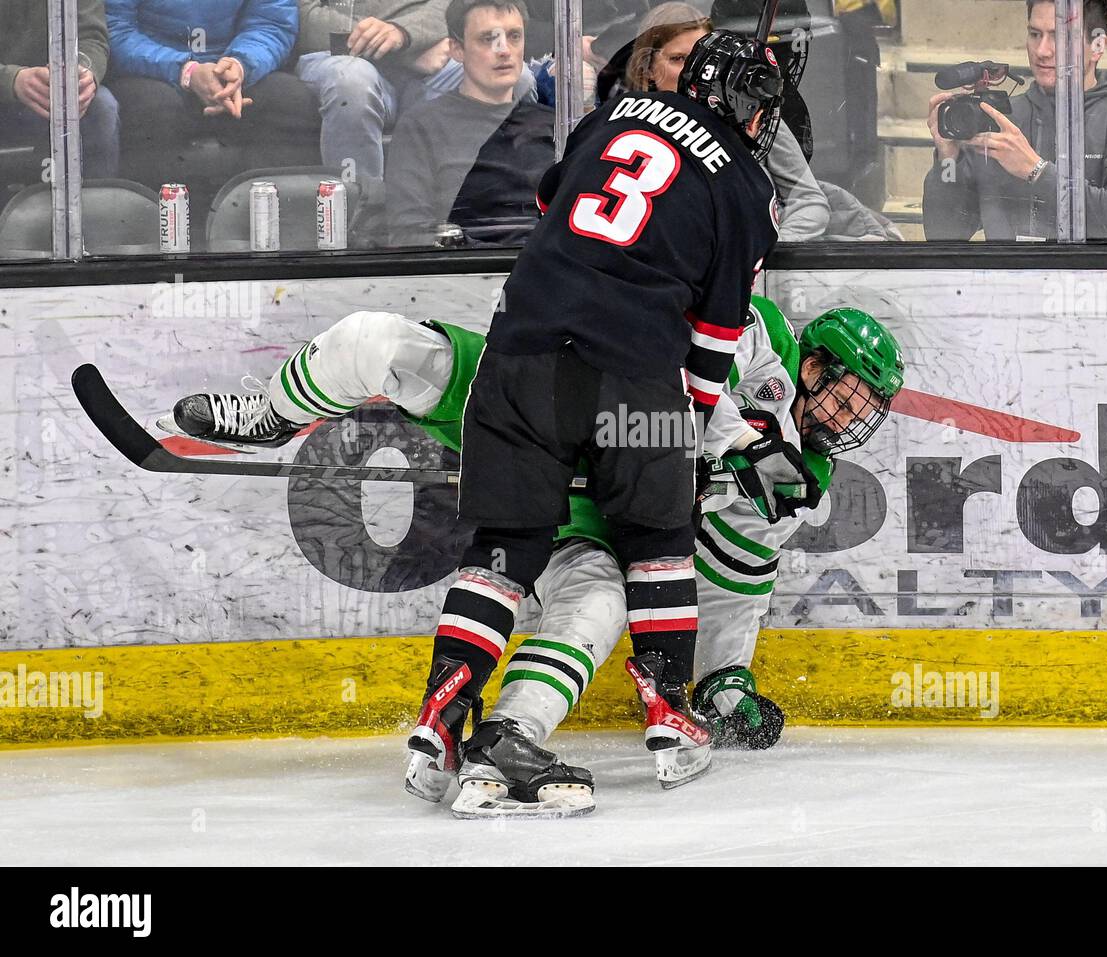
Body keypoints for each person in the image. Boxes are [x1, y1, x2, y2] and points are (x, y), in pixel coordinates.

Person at [159, 292, 902, 814]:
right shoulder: (765, 331)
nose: (850, 420)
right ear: (814, 366)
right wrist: (732, 440)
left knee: (597, 603)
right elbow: (693, 358)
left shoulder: (806, 476)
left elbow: (741, 576)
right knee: (375, 341)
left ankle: (509, 730)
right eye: (849, 397)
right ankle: (274, 414)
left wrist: (727, 677)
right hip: (545, 387)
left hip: (596, 508)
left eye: (866, 412)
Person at [407, 27, 783, 801]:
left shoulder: (616, 112)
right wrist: (688, 435)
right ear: (743, 105)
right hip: (633, 376)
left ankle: (439, 718)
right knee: (657, 539)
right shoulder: (748, 186)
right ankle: (669, 714)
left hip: (518, 355)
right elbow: (713, 340)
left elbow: (555, 206)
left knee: (505, 548)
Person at [921, 0, 1107, 241]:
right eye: (1035, 34)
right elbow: (943, 230)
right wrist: (947, 160)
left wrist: (1037, 172)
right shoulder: (1002, 116)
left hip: (1097, 283)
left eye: (1060, 37)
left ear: (1097, 46)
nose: (1042, 51)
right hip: (1008, 280)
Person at [622, 2, 829, 242]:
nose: (693, 70)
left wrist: (764, 253)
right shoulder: (622, 124)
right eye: (678, 59)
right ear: (647, 68)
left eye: (702, 60)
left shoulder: (751, 113)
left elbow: (808, 200)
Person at [106, 0, 321, 204]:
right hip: (155, 73)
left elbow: (272, 22)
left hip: (232, 71)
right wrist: (186, 69)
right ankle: (154, 229)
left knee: (290, 101)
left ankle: (267, 226)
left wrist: (239, 65)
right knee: (152, 109)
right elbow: (115, 28)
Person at [384, 0, 554, 246]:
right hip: (462, 270)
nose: (504, 50)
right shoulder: (422, 126)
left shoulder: (552, 125)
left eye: (514, 36)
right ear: (457, 49)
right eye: (488, 39)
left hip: (544, 270)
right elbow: (409, 234)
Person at [294, 0, 453, 180]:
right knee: (351, 82)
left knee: (478, 67)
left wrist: (403, 32)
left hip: (425, 47)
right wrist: (397, 49)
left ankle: (457, 203)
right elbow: (305, 18)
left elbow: (456, 5)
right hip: (339, 55)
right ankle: (362, 202)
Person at [0, 0, 120, 181]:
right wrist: (11, 79)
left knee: (100, 108)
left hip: (51, 92)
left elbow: (91, 37)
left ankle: (94, 206)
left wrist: (83, 72)